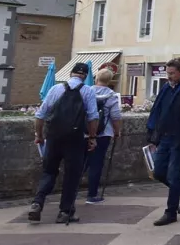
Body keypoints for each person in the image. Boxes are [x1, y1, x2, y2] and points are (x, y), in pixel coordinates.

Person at [31, 62, 101, 224]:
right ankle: (65, 212)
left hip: (54, 137)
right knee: (72, 176)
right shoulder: (87, 91)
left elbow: (40, 115)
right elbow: (93, 117)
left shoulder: (56, 89)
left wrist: (39, 135)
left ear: (71, 73)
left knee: (49, 171)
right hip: (75, 139)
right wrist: (92, 138)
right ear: (85, 75)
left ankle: (37, 202)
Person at [146, 58, 180, 226]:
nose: (168, 76)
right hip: (164, 137)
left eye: (172, 73)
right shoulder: (165, 88)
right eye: (167, 73)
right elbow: (157, 110)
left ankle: (170, 212)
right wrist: (153, 137)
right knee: (158, 173)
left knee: (173, 174)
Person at [86, 67, 123, 203]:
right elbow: (115, 116)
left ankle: (71, 193)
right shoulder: (111, 95)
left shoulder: (87, 91)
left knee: (79, 162)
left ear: (96, 78)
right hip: (103, 134)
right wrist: (117, 131)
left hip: (84, 132)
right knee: (97, 163)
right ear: (109, 81)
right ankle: (92, 195)